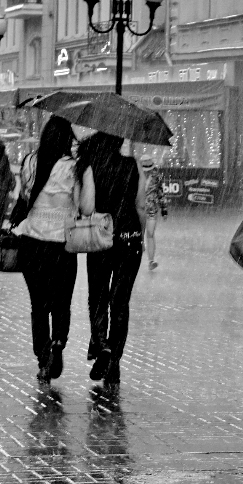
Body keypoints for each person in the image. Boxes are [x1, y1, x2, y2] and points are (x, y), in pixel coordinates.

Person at [77, 131, 147, 387]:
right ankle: (115, 363)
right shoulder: (133, 164)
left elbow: (87, 207)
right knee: (120, 302)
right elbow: (140, 205)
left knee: (98, 296)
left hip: (101, 239)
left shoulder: (91, 167)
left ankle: (103, 346)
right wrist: (140, 236)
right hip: (130, 239)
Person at [13, 116, 79, 383]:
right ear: (66, 139)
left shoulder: (29, 162)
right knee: (61, 303)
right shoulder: (72, 168)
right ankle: (58, 344)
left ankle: (42, 357)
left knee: (38, 305)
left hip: (33, 245)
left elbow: (24, 198)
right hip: (62, 247)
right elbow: (83, 206)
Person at [139, 154, 168, 270]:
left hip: (150, 209)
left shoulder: (156, 176)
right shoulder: (136, 175)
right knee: (139, 235)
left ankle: (151, 261)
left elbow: (160, 193)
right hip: (139, 210)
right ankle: (139, 250)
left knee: (150, 234)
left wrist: (164, 209)